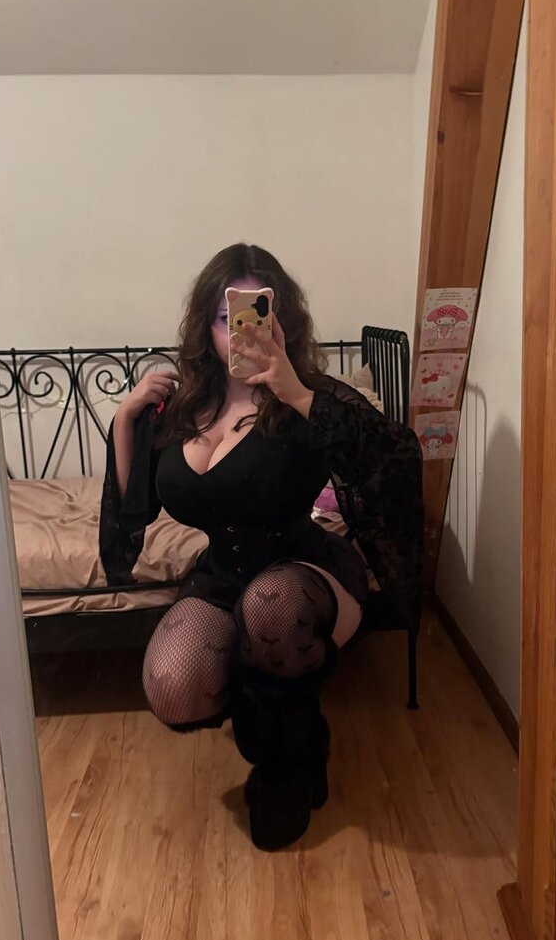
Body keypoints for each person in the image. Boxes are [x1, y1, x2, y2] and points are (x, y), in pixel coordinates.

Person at [100, 244, 423, 850]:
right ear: (206, 325)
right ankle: (260, 702)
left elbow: (395, 456)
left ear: (281, 320)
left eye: (256, 312)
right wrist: (125, 420)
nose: (239, 330)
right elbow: (132, 509)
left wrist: (296, 391)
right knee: (172, 681)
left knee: (271, 605)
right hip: (224, 574)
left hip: (304, 572)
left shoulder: (306, 395)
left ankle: (294, 758)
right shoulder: (185, 408)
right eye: (226, 317)